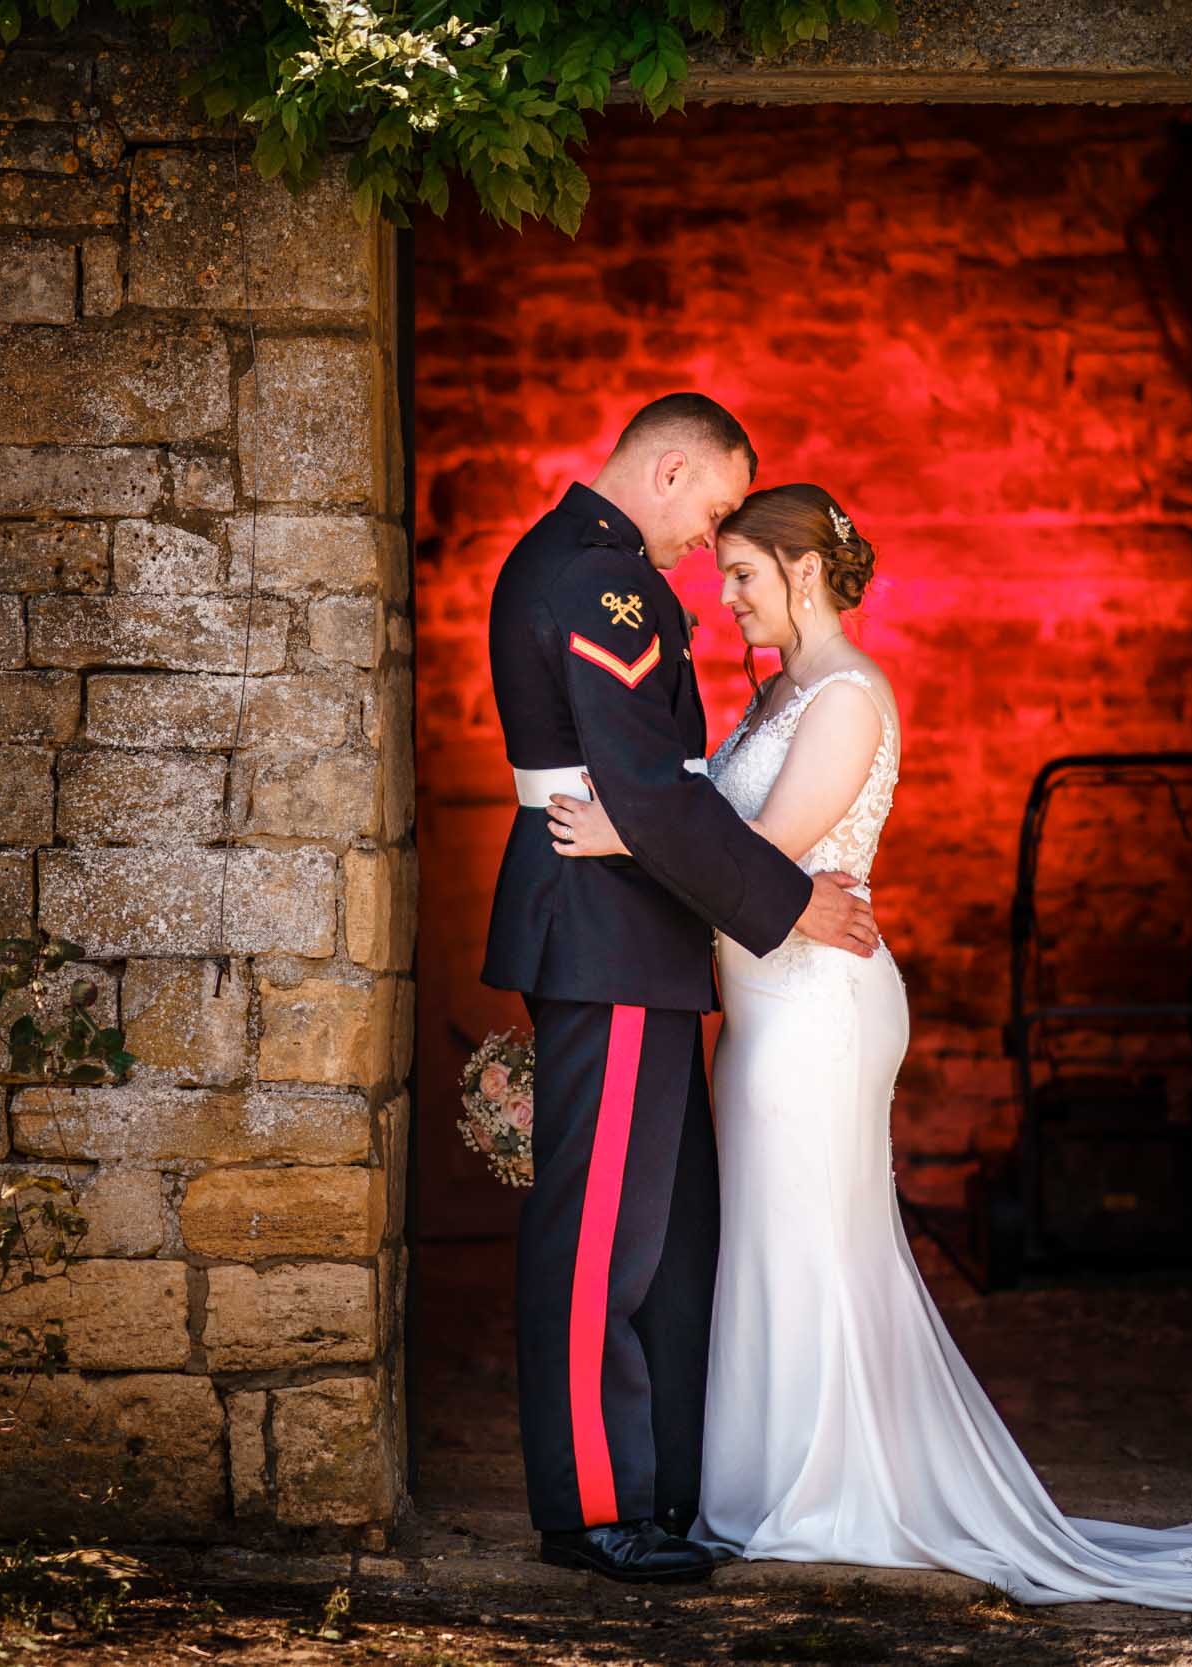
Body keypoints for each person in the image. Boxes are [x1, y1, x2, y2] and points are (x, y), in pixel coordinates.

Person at [542, 483, 1192, 1620]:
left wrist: (625, 831)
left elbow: (759, 845)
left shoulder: (846, 697)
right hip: (767, 1001)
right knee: (773, 1238)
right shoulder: (776, 696)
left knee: (812, 1236)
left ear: (803, 573)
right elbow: (732, 842)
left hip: (819, 1007)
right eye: (720, 576)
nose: (721, 598)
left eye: (740, 576)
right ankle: (776, 1477)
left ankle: (826, 1488)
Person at [480, 393, 879, 1583]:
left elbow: (653, 791)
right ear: (664, 473)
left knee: (662, 1237)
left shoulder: (588, 569)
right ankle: (591, 1505)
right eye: (707, 515)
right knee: (599, 1236)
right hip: (601, 936)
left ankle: (650, 1489)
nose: (703, 547)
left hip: (630, 936)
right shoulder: (598, 582)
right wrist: (788, 903)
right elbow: (647, 788)